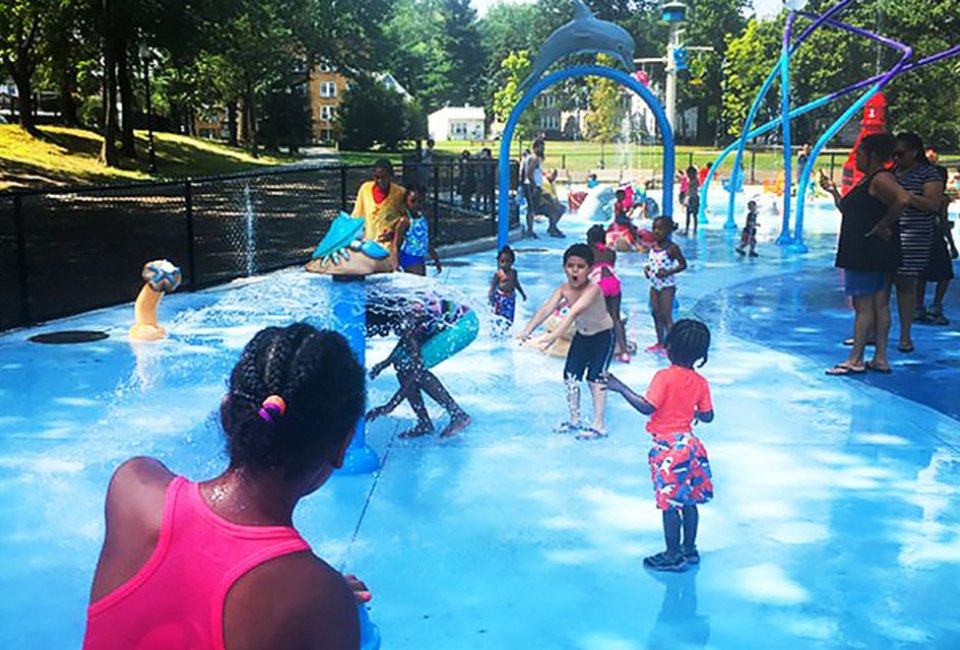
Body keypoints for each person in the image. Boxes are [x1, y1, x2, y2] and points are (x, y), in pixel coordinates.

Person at [83, 324, 368, 649]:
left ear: (225, 414)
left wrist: (313, 591)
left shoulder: (133, 487)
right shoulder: (320, 599)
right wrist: (323, 596)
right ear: (342, 447)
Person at [604, 319, 715, 572]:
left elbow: (647, 407)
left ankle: (672, 555)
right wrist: (693, 412)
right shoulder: (700, 382)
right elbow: (708, 416)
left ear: (670, 348)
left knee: (669, 505)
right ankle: (690, 549)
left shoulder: (664, 377)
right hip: (692, 445)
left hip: (668, 449)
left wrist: (619, 387)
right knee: (690, 501)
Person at [821, 133, 909, 375]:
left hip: (866, 251)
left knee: (864, 305)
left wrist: (883, 224)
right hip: (873, 251)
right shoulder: (871, 179)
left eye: (860, 153)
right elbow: (851, 211)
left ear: (872, 156)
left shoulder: (881, 178)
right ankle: (880, 357)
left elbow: (902, 199)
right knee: (880, 304)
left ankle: (856, 359)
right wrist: (834, 191)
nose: (856, 156)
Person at [518, 244, 615, 440]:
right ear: (564, 267)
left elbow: (573, 313)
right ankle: (574, 419)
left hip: (602, 337)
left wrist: (551, 338)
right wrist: (526, 331)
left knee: (595, 378)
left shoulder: (593, 289)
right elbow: (546, 309)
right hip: (582, 336)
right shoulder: (563, 289)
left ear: (590, 269)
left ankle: (599, 424)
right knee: (570, 376)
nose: (575, 270)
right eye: (571, 266)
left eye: (580, 266)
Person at [367, 296, 474, 439]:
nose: (379, 334)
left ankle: (458, 414)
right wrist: (386, 363)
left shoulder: (407, 317)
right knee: (403, 366)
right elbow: (407, 341)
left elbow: (416, 367)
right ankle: (424, 423)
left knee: (410, 369)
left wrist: (389, 406)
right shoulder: (399, 311)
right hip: (456, 319)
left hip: (464, 324)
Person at [892, 133, 945, 353]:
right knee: (881, 285)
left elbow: (933, 204)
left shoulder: (928, 174)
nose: (896, 158)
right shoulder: (892, 173)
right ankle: (873, 331)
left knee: (906, 285)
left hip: (914, 235)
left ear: (914, 152)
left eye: (900, 154)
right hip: (891, 233)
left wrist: (904, 196)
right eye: (893, 154)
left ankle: (905, 335)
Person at [916, 148, 956, 325]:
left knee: (937, 274)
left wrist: (952, 243)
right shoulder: (934, 197)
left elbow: (944, 220)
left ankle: (928, 306)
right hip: (928, 236)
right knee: (927, 274)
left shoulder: (940, 198)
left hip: (932, 236)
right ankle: (927, 306)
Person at [587, 225, 631, 363]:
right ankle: (624, 351)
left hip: (599, 284)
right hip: (614, 282)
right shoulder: (611, 253)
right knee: (615, 318)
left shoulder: (588, 252)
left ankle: (597, 351)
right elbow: (608, 266)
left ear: (589, 240)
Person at [645, 216, 687, 352]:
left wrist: (668, 272)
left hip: (667, 286)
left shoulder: (672, 248)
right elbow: (652, 263)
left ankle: (671, 345)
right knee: (655, 313)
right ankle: (660, 342)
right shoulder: (653, 247)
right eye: (654, 228)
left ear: (668, 230)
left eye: (660, 229)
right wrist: (647, 269)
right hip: (654, 284)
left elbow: (683, 265)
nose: (656, 231)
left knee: (666, 316)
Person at [352, 158, 406, 254]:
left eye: (384, 177)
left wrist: (395, 233)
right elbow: (356, 216)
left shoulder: (400, 193)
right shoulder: (365, 189)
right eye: (377, 177)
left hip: (389, 247)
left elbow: (407, 219)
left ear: (391, 176)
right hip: (368, 245)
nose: (380, 181)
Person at [396, 187, 442, 276]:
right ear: (406, 203)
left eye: (420, 201)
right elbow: (396, 245)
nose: (417, 204)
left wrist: (436, 259)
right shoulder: (405, 221)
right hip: (409, 257)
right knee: (418, 284)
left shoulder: (423, 219)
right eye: (413, 201)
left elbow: (426, 241)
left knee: (421, 282)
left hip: (420, 257)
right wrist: (396, 265)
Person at [489, 245, 526, 330]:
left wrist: (522, 293)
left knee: (509, 318)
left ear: (513, 261)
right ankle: (497, 331)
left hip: (511, 298)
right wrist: (491, 299)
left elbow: (516, 283)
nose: (505, 264)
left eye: (508, 261)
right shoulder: (498, 274)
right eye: (502, 261)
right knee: (498, 316)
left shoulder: (514, 272)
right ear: (498, 261)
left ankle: (507, 331)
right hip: (500, 299)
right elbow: (492, 287)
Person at [541, 168, 566, 237]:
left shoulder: (552, 183)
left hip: (550, 204)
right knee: (554, 209)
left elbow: (554, 195)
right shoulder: (543, 182)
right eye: (552, 175)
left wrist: (557, 203)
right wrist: (554, 204)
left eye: (555, 175)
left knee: (562, 208)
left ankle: (552, 227)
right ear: (547, 173)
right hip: (541, 204)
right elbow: (546, 195)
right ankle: (552, 229)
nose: (554, 177)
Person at [684, 166, 700, 237]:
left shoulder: (693, 181)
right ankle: (692, 230)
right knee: (692, 215)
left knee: (691, 215)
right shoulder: (694, 180)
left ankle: (690, 229)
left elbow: (689, 190)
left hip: (692, 198)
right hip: (694, 198)